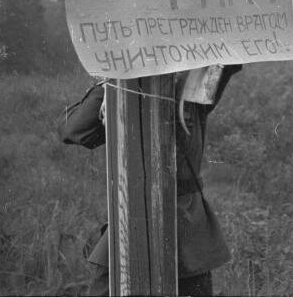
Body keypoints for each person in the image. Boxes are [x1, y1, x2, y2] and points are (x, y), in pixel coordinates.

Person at [60, 64, 242, 296]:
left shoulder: (194, 90)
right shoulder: (120, 93)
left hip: (185, 231)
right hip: (130, 223)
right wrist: (110, 85)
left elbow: (229, 60)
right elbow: (73, 130)